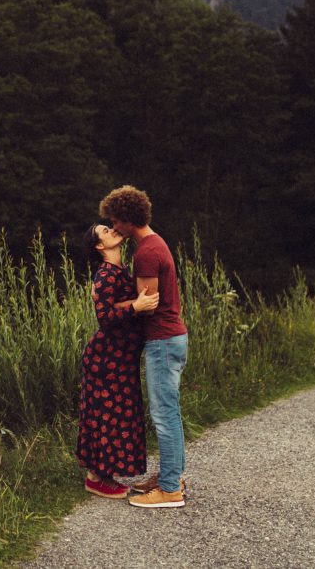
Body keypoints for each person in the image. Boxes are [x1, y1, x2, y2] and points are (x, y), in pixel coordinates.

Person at [99, 185, 189, 509]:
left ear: (126, 219)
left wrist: (110, 304)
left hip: (163, 341)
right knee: (170, 411)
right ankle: (171, 476)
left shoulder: (147, 252)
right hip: (169, 339)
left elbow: (147, 304)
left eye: (113, 221)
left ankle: (169, 490)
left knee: (164, 414)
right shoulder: (154, 243)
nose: (113, 227)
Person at [77, 222, 158, 499]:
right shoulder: (105, 275)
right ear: (100, 246)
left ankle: (103, 475)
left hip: (120, 359)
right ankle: (96, 478)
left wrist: (130, 304)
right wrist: (136, 306)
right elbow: (105, 319)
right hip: (106, 360)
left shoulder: (118, 271)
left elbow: (114, 305)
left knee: (119, 417)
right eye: (105, 231)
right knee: (107, 418)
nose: (112, 230)